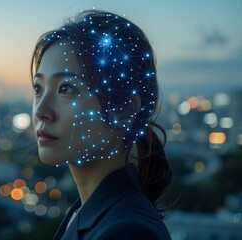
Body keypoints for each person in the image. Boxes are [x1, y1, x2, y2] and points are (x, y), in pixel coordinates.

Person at [30, 9, 173, 239]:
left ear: (126, 109)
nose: (41, 111)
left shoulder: (129, 232)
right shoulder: (84, 212)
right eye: (38, 89)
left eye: (66, 88)